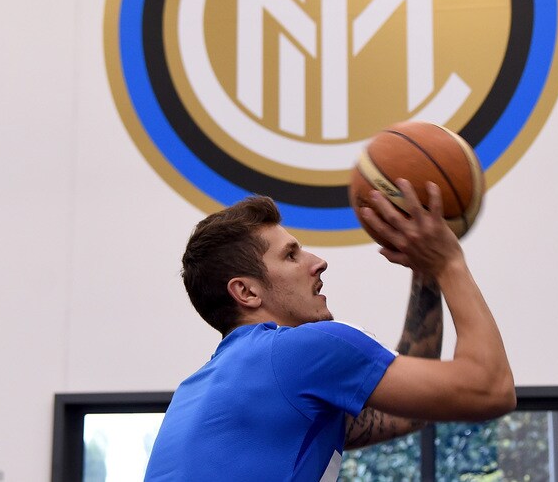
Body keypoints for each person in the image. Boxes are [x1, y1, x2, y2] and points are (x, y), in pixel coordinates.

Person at [144, 179, 515, 481]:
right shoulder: (301, 350)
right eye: (290, 255)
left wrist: (426, 267)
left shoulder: (199, 391)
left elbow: (418, 406)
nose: (319, 262)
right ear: (246, 291)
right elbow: (489, 388)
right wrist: (449, 262)